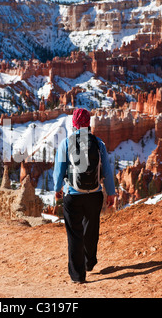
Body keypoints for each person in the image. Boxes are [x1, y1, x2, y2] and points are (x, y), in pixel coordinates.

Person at [53, 108, 116, 284]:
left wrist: (58, 189)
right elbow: (107, 171)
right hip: (94, 195)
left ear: (74, 124)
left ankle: (78, 275)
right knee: (91, 229)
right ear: (89, 124)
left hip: (73, 195)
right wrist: (111, 193)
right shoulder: (98, 143)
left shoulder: (66, 143)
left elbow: (59, 171)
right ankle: (89, 263)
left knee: (75, 234)